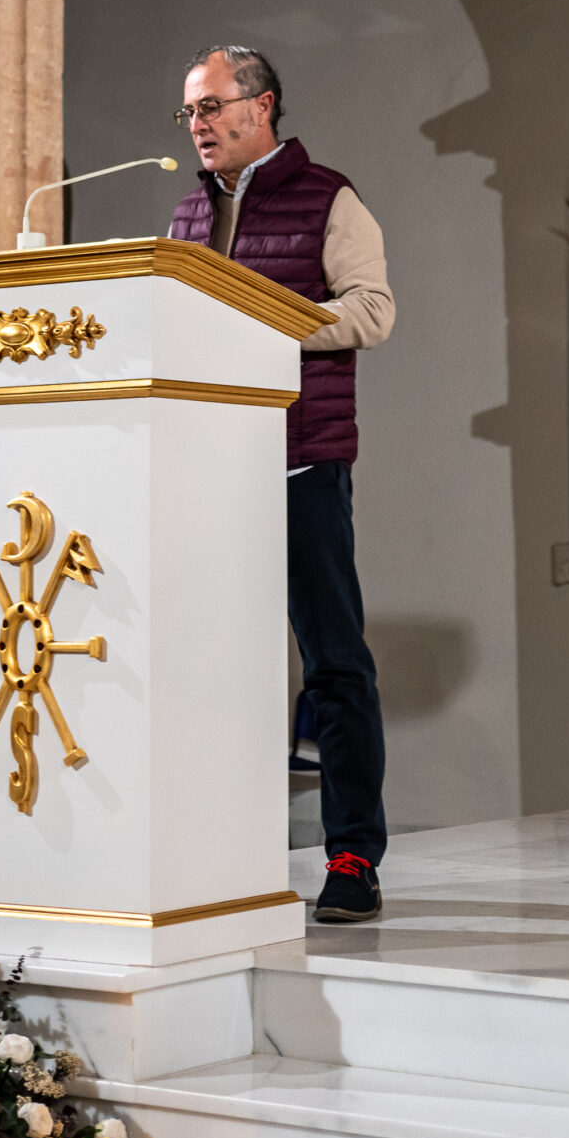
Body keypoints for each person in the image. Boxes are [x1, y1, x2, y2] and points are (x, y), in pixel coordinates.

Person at [169, 45, 395, 923]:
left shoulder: (329, 197)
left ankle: (352, 858)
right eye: (189, 112)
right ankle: (216, 855)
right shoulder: (191, 209)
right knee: (210, 664)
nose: (198, 124)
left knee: (332, 664)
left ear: (261, 107)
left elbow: (371, 310)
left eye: (211, 106)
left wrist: (260, 324)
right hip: (208, 465)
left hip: (300, 461)